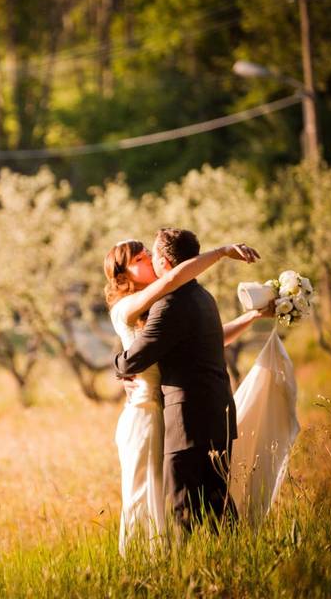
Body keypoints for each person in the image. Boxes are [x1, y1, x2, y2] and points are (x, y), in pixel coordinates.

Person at [105, 230, 271, 552]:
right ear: (123, 274)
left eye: (148, 255)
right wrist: (221, 251)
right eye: (139, 259)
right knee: (147, 495)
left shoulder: (165, 305)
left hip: (171, 416)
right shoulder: (129, 306)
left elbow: (210, 337)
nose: (149, 260)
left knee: (179, 500)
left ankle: (181, 564)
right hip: (145, 414)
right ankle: (146, 563)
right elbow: (171, 279)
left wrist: (252, 315)